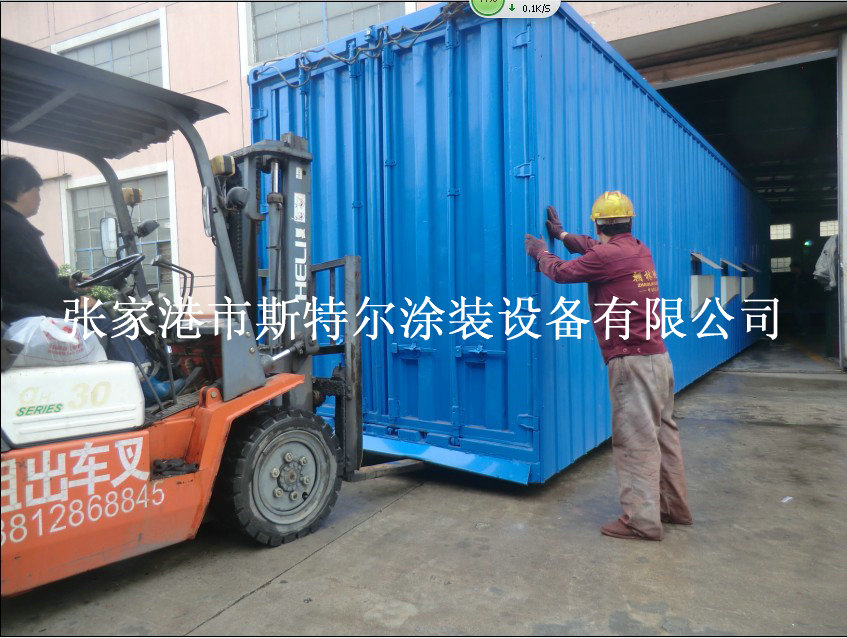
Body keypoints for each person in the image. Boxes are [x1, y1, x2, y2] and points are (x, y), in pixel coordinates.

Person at [524, 191, 692, 541]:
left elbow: (561, 272)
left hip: (632, 363)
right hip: (659, 360)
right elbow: (592, 248)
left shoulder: (606, 256)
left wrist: (541, 252)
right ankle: (673, 508)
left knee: (635, 441)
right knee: (664, 435)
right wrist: (563, 235)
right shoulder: (638, 249)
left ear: (599, 223)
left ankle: (642, 521)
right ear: (630, 222)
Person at [1, 156, 181, 402]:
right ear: (19, 188)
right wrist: (74, 299)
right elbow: (35, 286)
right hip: (28, 315)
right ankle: (146, 384)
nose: (40, 197)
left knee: (96, 311)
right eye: (37, 189)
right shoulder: (13, 229)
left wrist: (68, 283)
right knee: (104, 317)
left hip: (19, 311)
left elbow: (26, 278)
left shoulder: (10, 225)